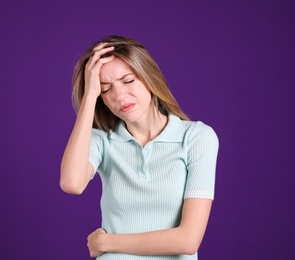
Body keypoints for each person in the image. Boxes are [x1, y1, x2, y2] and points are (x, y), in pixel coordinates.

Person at [60, 35, 219, 259]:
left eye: (128, 80)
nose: (120, 96)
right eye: (106, 89)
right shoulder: (102, 140)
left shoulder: (196, 137)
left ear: (148, 77)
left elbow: (188, 240)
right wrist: (89, 95)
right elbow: (72, 183)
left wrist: (107, 242)